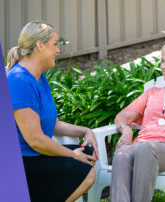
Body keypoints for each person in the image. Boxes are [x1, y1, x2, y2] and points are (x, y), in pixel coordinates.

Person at [6, 21, 98, 202]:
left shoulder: (39, 77)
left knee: (87, 152)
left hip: (36, 155)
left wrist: (85, 131)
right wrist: (73, 155)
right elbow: (35, 140)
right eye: (55, 44)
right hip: (21, 162)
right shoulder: (19, 80)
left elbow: (52, 124)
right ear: (40, 46)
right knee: (86, 171)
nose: (57, 50)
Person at [110, 40, 165, 202]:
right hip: (142, 145)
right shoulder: (152, 92)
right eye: (162, 61)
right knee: (122, 154)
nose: (164, 66)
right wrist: (126, 130)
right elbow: (122, 116)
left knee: (146, 149)